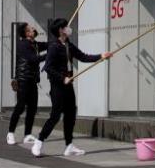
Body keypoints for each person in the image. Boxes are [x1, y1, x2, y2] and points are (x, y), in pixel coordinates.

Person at [31, 18, 112, 158]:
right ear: (60, 30)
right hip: (57, 87)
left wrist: (101, 56)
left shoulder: (68, 44)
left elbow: (83, 57)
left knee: (70, 115)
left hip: (68, 86)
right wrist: (63, 78)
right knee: (55, 116)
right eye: (66, 26)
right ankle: (39, 141)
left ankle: (69, 146)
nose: (69, 28)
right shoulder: (54, 47)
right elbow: (48, 68)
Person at [7, 22, 47, 146]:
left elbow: (48, 45)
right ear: (27, 33)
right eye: (31, 29)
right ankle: (10, 133)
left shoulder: (35, 44)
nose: (34, 29)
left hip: (33, 80)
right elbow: (33, 59)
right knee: (20, 107)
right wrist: (49, 55)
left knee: (32, 108)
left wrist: (58, 41)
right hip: (23, 80)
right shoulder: (23, 45)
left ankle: (27, 135)